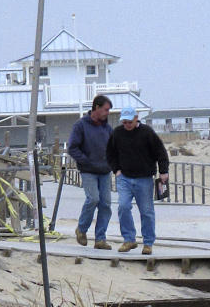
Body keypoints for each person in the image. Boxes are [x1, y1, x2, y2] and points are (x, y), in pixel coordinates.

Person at [106, 108, 169, 254]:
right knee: (123, 207)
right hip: (124, 178)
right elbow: (110, 153)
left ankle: (148, 243)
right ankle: (129, 240)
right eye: (125, 122)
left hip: (144, 179)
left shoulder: (147, 133)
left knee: (146, 212)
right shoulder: (117, 133)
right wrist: (116, 170)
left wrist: (164, 171)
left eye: (130, 122)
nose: (127, 124)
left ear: (136, 118)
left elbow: (161, 152)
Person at [66, 94, 113, 249]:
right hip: (88, 171)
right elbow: (72, 147)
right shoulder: (81, 125)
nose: (107, 113)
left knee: (105, 203)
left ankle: (100, 239)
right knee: (93, 199)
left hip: (105, 171)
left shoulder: (107, 128)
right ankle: (81, 229)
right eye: (106, 109)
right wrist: (85, 161)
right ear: (97, 108)